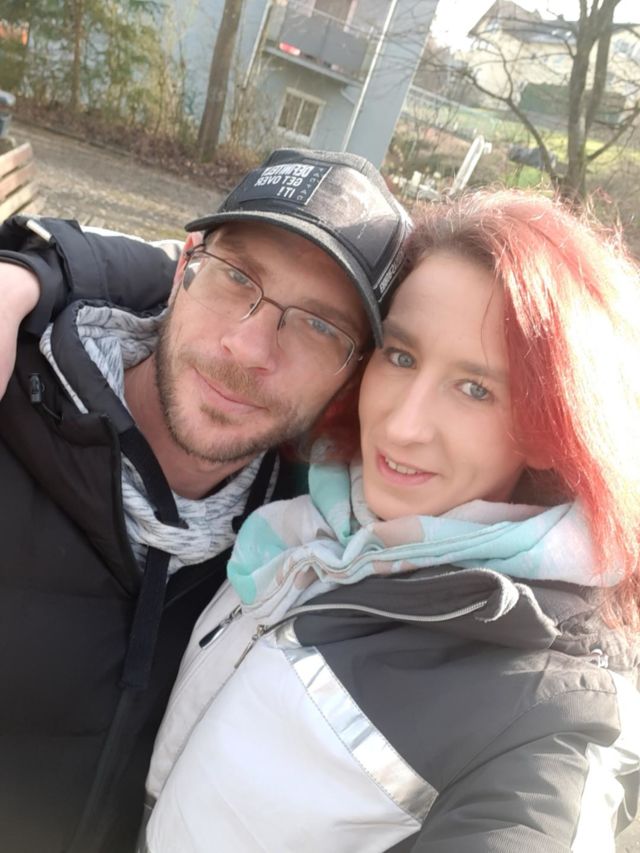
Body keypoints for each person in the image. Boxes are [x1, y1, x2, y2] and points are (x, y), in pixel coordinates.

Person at [134, 190, 639, 852]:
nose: (402, 426)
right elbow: (205, 276)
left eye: (476, 389)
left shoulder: (543, 715)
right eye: (401, 355)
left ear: (551, 429)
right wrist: (37, 266)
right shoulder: (326, 502)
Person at [0, 147, 409, 853]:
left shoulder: (304, 542)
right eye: (236, 277)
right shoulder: (13, 395)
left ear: (351, 378)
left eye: (319, 325)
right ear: (183, 270)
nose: (249, 347)